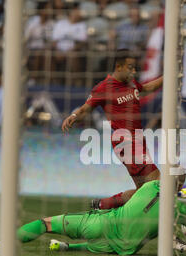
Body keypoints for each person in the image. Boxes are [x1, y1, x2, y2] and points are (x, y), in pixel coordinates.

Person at [0, 173, 186, 255]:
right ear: (181, 185)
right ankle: (66, 249)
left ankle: (5, 243)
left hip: (103, 223)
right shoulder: (179, 208)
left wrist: (103, 203)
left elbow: (146, 196)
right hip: (126, 247)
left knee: (46, 223)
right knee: (161, 224)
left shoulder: (147, 186)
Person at [61, 49, 164, 211]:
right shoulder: (104, 87)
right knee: (159, 183)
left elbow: (148, 87)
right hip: (126, 143)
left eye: (135, 68)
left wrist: (168, 76)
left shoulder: (131, 84)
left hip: (137, 141)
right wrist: (73, 115)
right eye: (131, 67)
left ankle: (103, 204)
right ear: (119, 67)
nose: (134, 71)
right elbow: (85, 109)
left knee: (143, 191)